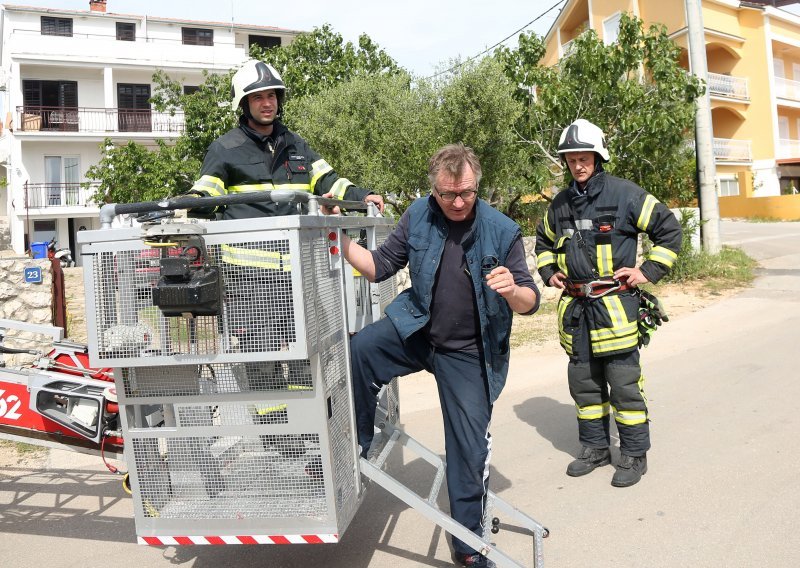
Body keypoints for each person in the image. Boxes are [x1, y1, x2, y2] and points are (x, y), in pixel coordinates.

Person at [328, 143, 540, 568]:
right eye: (448, 194)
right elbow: (378, 266)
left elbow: (530, 300)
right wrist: (335, 235)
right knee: (361, 349)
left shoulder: (502, 229)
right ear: (434, 190)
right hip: (418, 327)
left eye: (467, 193)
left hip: (468, 352)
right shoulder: (419, 214)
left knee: (467, 450)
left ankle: (468, 547)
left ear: (477, 186)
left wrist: (511, 290)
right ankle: (357, 447)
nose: (458, 202)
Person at [187, 59, 384, 392]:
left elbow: (329, 181)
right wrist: (187, 202)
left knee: (307, 349)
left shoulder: (296, 145)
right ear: (244, 104)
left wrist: (364, 195)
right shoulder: (225, 149)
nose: (267, 103)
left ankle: (307, 427)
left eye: (272, 96)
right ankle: (275, 433)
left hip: (299, 272)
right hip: (249, 280)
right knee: (260, 354)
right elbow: (206, 192)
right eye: (258, 97)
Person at [535, 119, 682, 487]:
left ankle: (634, 455)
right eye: (571, 159)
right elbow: (542, 242)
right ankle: (595, 448)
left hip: (615, 308)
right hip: (575, 311)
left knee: (624, 384)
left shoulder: (626, 194)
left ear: (598, 157)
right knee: (584, 386)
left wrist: (647, 270)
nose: (577, 165)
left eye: (584, 158)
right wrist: (549, 269)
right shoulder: (560, 203)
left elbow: (669, 230)